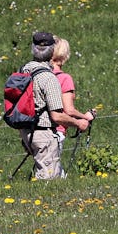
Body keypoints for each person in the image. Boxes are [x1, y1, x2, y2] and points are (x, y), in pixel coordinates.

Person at [19, 31, 89, 179]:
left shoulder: (24, 70)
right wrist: (79, 123)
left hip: (26, 130)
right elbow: (57, 115)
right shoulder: (49, 78)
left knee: (56, 176)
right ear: (51, 52)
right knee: (49, 182)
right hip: (44, 132)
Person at [50, 36, 96, 162]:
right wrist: (86, 117)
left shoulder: (39, 75)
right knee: (53, 175)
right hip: (55, 132)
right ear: (63, 56)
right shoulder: (64, 78)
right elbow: (69, 110)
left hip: (35, 132)